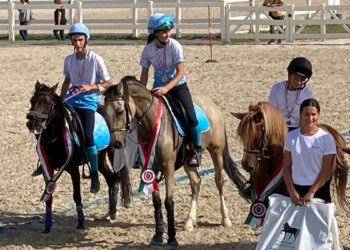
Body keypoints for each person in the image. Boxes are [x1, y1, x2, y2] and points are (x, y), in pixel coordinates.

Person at [139, 13, 202, 167]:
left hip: (177, 86)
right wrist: (142, 92)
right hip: (158, 88)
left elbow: (180, 72)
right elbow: (144, 74)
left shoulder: (175, 46)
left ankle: (196, 149)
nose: (167, 34)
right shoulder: (148, 50)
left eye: (169, 30)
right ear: (155, 33)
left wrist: (167, 88)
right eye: (163, 31)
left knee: (191, 118)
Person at [60, 23, 112, 193]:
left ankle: (95, 174)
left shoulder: (96, 59)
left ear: (86, 40)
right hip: (71, 100)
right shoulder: (68, 60)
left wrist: (90, 87)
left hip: (89, 102)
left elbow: (108, 82)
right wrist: (61, 99)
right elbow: (67, 81)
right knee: (54, 124)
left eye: (80, 40)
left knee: (88, 137)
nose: (77, 44)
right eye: (74, 40)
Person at [283, 98, 336, 206]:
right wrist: (292, 191)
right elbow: (286, 166)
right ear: (300, 114)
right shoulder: (291, 137)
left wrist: (312, 192)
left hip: (319, 191)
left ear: (318, 114)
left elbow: (327, 169)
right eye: (306, 114)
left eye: (313, 114)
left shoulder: (326, 139)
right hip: (296, 191)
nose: (310, 118)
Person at [268, 57, 313, 132]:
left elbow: (305, 114)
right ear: (290, 75)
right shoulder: (277, 88)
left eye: (302, 79)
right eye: (296, 78)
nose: (298, 82)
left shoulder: (307, 92)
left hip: (297, 128)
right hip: (279, 128)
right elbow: (272, 111)